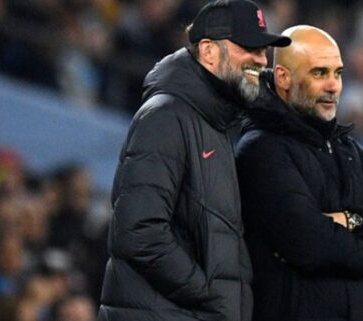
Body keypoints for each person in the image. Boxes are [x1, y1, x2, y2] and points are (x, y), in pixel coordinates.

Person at [96, 1, 290, 320]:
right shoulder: (166, 115)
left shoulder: (215, 122)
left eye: (264, 49)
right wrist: (210, 296)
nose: (261, 58)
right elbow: (139, 233)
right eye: (249, 48)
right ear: (209, 52)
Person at [236, 25, 363, 321]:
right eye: (319, 73)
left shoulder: (345, 149)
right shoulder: (262, 148)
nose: (333, 86)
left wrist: (351, 219)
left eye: (338, 73)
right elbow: (309, 243)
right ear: (283, 77)